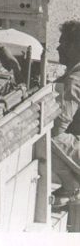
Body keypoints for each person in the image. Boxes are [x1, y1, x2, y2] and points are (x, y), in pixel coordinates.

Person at [51, 20, 80, 203]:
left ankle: (72, 188)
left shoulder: (74, 81)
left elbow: (57, 127)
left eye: (63, 43)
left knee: (45, 135)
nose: (58, 48)